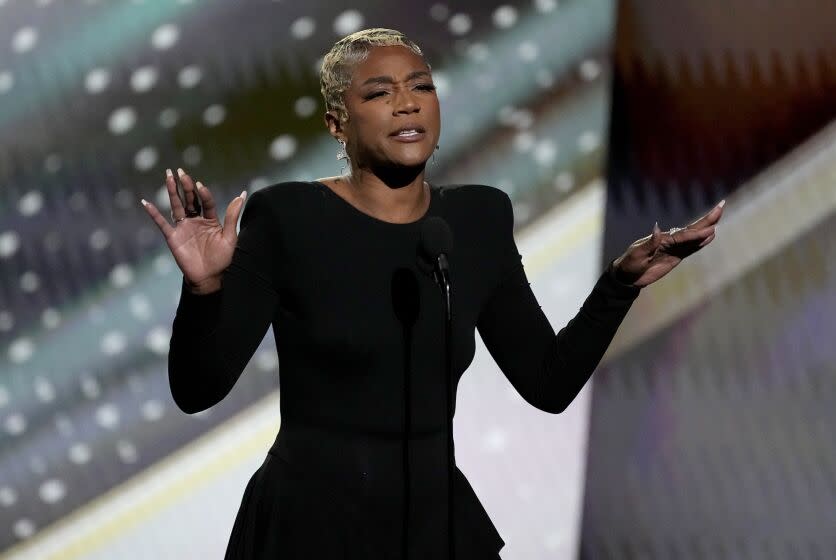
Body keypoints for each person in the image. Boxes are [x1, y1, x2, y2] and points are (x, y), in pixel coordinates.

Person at [140, 28, 723, 560]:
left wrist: (618, 286)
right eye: (379, 92)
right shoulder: (289, 218)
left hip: (432, 528)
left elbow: (547, 382)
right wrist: (204, 286)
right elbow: (198, 389)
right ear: (337, 123)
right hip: (311, 529)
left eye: (421, 85)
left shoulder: (476, 220)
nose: (408, 101)